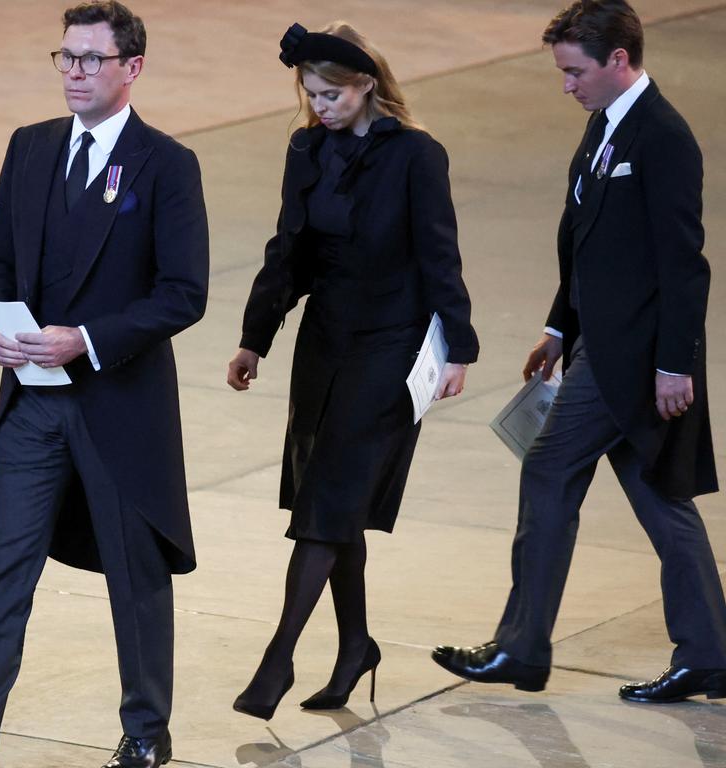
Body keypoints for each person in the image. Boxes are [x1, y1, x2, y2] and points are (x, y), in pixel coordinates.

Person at [0, 3, 208, 768]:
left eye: (91, 59)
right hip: (31, 404)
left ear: (132, 68)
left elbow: (182, 292)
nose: (75, 72)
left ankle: (146, 738)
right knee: (4, 573)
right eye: (65, 58)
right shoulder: (29, 149)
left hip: (118, 409)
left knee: (136, 579)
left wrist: (86, 340)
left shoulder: (167, 164)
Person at [432, 0, 726, 703]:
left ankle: (521, 647)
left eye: (575, 71)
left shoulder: (662, 136)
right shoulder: (604, 126)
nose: (566, 85)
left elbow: (685, 263)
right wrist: (560, 327)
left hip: (635, 358)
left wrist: (674, 364)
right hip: (599, 341)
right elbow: (584, 241)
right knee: (660, 494)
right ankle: (710, 652)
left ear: (618, 60)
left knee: (548, 469)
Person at [227, 21, 478, 720]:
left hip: (392, 347)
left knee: (326, 507)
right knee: (335, 506)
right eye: (310, 93)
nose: (320, 105)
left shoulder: (417, 156)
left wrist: (458, 346)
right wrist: (255, 337)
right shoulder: (306, 148)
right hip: (325, 344)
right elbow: (289, 251)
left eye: (332, 93)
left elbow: (439, 255)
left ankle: (277, 659)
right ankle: (356, 645)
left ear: (367, 84)